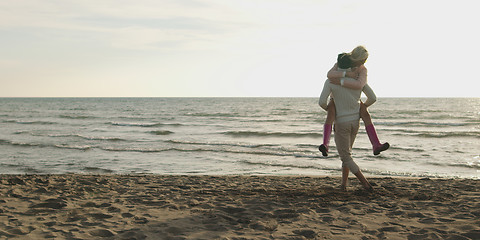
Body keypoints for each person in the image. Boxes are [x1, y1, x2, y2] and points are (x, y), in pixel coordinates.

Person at [318, 46, 378, 191]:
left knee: (345, 157)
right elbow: (373, 98)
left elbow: (321, 102)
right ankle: (343, 185)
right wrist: (361, 107)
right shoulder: (358, 80)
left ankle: (365, 184)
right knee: (347, 154)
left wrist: (331, 109)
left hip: (341, 123)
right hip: (355, 121)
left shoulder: (331, 81)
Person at [319, 46, 389, 157]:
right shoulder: (343, 62)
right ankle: (375, 144)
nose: (365, 62)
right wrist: (347, 75)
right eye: (363, 59)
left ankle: (326, 144)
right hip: (348, 101)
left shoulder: (361, 69)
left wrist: (341, 81)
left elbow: (359, 84)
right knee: (364, 114)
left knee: (332, 115)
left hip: (341, 99)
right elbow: (330, 74)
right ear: (357, 58)